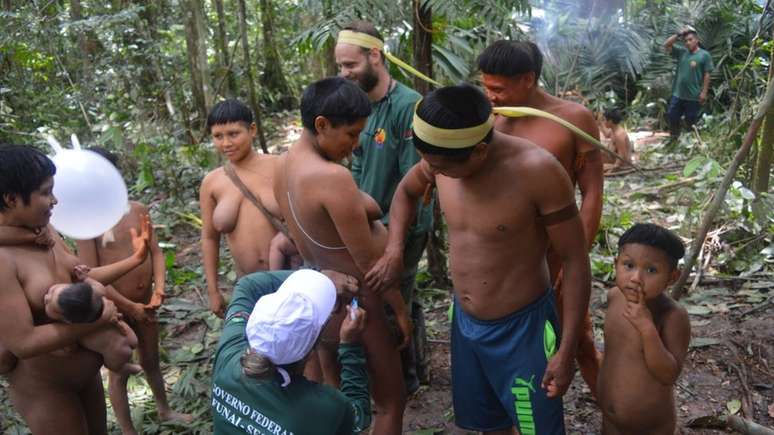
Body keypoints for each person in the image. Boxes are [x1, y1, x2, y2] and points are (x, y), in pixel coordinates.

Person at [367, 84, 591, 435]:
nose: (433, 172)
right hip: (466, 325)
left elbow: (575, 259)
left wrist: (567, 350)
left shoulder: (538, 172)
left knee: (537, 428)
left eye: (442, 168)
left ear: (480, 151)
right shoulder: (439, 161)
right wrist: (395, 249)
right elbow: (406, 193)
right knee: (489, 425)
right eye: (430, 164)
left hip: (523, 330)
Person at [274, 77, 408, 434]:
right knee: (389, 402)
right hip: (360, 305)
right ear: (321, 124)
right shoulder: (331, 176)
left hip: (322, 299)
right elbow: (368, 262)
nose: (354, 146)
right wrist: (397, 308)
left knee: (339, 406)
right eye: (350, 134)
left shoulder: (282, 166)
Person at [478, 39, 603, 397]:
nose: (491, 95)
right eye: (486, 87)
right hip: (509, 263)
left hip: (556, 253)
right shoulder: (493, 119)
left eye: (498, 88)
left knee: (577, 341)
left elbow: (591, 193)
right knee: (517, 349)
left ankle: (617, 416)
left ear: (528, 79)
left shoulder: (573, 119)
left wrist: (573, 259)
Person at [0, 144, 150, 434]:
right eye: (45, 193)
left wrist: (135, 260)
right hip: (47, 389)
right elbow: (24, 342)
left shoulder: (43, 232)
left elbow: (85, 276)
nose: (54, 200)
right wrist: (99, 319)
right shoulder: (4, 260)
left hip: (86, 376)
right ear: (11, 199)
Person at [335, 20, 434, 392]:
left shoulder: (408, 106)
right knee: (393, 297)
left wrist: (394, 241)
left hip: (400, 230)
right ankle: (413, 368)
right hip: (369, 228)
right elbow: (357, 167)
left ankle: (402, 385)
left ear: (374, 55)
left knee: (390, 300)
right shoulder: (359, 108)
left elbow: (418, 181)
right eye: (340, 66)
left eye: (350, 65)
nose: (344, 74)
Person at [71, 147, 193, 434]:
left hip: (145, 304)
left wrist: (158, 289)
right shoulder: (87, 226)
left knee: (151, 358)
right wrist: (128, 306)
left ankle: (164, 409)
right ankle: (128, 430)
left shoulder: (137, 209)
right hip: (114, 309)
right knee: (119, 370)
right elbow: (93, 278)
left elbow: (155, 252)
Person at [211, 269, 371, 435]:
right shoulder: (324, 408)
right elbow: (359, 416)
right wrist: (350, 345)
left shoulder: (228, 356)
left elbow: (248, 285)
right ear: (310, 350)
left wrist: (322, 278)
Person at [597, 223, 690, 435]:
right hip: (610, 423)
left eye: (651, 270)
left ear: (672, 276)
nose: (636, 278)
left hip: (649, 428)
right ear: (616, 264)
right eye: (628, 265)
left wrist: (646, 328)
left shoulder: (673, 316)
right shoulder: (614, 297)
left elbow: (668, 375)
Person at [200, 99, 282, 318]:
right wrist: (213, 290)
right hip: (249, 285)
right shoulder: (212, 183)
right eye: (218, 136)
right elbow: (209, 238)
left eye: (233, 134)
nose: (226, 143)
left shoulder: (279, 166)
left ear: (252, 130)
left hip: (290, 276)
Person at [664, 26, 713, 140]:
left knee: (691, 120)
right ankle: (674, 139)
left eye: (690, 40)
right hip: (678, 94)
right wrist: (678, 35)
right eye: (685, 41)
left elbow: (707, 74)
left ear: (697, 40)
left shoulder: (704, 55)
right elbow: (667, 45)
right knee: (672, 116)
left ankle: (690, 142)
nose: (687, 42)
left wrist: (704, 92)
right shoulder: (682, 52)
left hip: (693, 96)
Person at [599, 108, 632, 173]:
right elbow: (607, 134)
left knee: (595, 167)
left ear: (610, 121)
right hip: (613, 159)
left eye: (604, 120)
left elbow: (622, 156)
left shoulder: (619, 135)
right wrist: (600, 123)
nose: (604, 121)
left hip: (622, 164)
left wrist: (613, 169)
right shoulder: (614, 129)